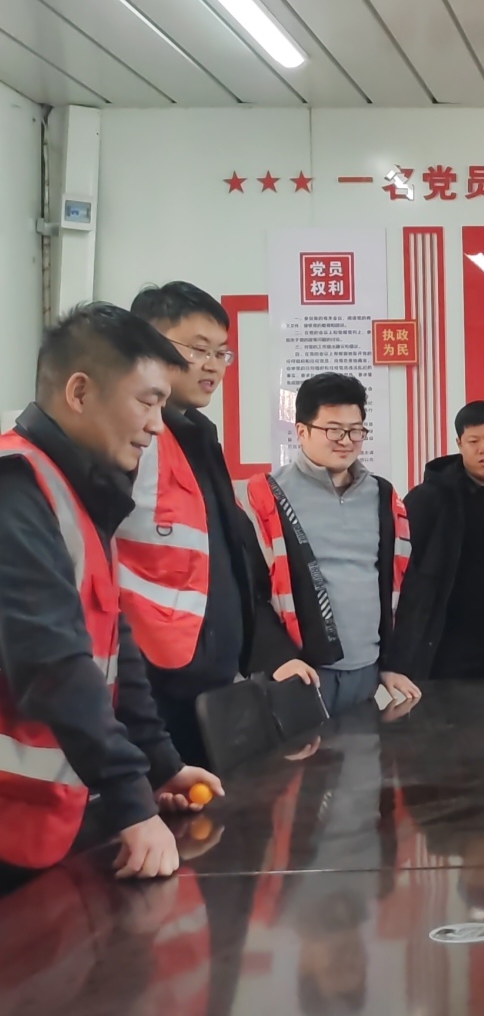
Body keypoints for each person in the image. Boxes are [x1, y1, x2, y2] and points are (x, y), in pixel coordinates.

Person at [0, 304, 223, 893]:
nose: (156, 425)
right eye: (147, 402)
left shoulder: (79, 491)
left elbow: (114, 646)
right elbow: (51, 666)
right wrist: (132, 803)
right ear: (79, 392)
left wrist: (161, 765)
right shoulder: (15, 489)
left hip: (46, 817)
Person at [119, 282, 296, 766]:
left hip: (206, 682)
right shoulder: (132, 441)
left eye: (222, 353)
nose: (214, 365)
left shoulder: (196, 437)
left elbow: (229, 564)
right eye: (198, 349)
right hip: (148, 686)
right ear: (147, 345)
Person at [243, 373, 422, 716]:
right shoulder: (265, 496)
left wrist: (392, 663)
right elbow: (246, 591)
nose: (346, 441)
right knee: (299, 754)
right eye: (334, 430)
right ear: (301, 431)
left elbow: (398, 584)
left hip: (366, 674)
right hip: (297, 674)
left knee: (363, 752)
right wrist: (278, 658)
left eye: (356, 430)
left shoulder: (383, 495)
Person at [393, 401, 484, 680]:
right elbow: (405, 573)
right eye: (473, 441)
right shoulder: (428, 499)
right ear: (459, 444)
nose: (483, 449)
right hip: (445, 648)